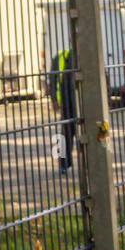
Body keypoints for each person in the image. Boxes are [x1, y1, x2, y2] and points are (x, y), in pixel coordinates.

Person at [48, 42, 78, 174]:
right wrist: (54, 99)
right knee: (64, 136)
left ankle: (100, 161)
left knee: (98, 133)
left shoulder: (89, 56)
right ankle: (63, 165)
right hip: (67, 104)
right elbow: (52, 79)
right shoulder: (60, 57)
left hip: (85, 104)